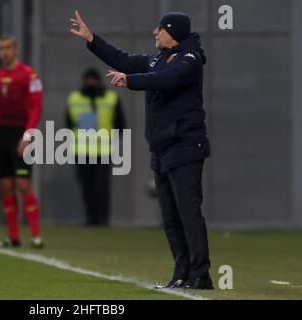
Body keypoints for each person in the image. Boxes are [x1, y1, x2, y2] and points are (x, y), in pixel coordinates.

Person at [70, 11, 213, 289]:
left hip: (185, 147)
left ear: (174, 33)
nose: (154, 32)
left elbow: (168, 79)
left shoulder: (190, 59)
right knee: (170, 218)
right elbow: (123, 60)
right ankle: (182, 272)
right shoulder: (157, 59)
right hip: (161, 149)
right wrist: (92, 39)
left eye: (161, 29)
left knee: (188, 213)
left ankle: (200, 274)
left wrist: (131, 80)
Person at [0, 35, 44, 248]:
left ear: (16, 49)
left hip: (21, 134)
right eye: (0, 48)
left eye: (8, 48)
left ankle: (36, 235)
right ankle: (13, 236)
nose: (4, 52)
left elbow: (36, 108)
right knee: (6, 186)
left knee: (23, 184)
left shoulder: (29, 75)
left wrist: (28, 136)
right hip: (0, 134)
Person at [65, 68, 126, 225]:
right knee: (86, 186)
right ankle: (91, 219)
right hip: (82, 150)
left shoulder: (110, 98)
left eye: (93, 80)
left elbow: (120, 124)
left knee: (101, 187)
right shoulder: (74, 98)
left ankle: (103, 220)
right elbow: (69, 123)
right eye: (88, 80)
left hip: (102, 151)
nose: (91, 83)